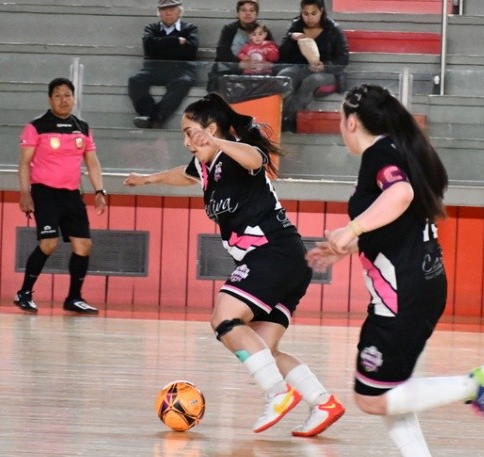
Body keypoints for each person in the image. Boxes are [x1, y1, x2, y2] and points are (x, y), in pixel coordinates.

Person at [123, 92, 345, 437]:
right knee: (265, 348)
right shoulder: (204, 166)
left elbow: (256, 157)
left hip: (273, 253)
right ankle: (322, 401)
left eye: (189, 132)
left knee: (224, 319)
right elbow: (183, 175)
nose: (186, 141)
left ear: (210, 129)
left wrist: (217, 141)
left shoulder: (236, 153)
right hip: (286, 261)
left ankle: (276, 393)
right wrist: (148, 180)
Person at [305, 84, 484, 456]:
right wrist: (345, 247)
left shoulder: (379, 155)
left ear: (350, 123)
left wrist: (351, 229)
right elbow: (399, 223)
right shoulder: (399, 151)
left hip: (402, 295)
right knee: (391, 391)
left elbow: (400, 196)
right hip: (420, 285)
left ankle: (471, 386)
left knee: (371, 398)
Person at [15, 77, 107, 315]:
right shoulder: (36, 126)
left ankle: (74, 298)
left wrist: (99, 191)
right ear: (49, 99)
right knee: (48, 243)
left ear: (73, 98)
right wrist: (25, 193)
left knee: (83, 245)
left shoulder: (82, 127)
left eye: (67, 95)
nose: (63, 100)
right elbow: (24, 163)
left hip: (72, 194)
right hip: (45, 192)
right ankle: (24, 292)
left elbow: (93, 163)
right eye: (58, 95)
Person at [276, 0, 349, 132]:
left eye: (313, 13)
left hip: (328, 72)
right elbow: (282, 55)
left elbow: (343, 59)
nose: (309, 18)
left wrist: (325, 66)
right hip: (301, 68)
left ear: (321, 11)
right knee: (284, 75)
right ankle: (274, 114)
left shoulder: (333, 30)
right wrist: (290, 38)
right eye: (305, 13)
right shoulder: (295, 26)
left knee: (311, 81)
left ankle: (287, 118)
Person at [128, 0, 199, 129]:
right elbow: (149, 47)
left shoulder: (190, 28)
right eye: (163, 9)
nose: (167, 12)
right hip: (155, 67)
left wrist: (160, 45)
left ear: (179, 12)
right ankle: (147, 113)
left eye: (171, 9)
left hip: (181, 69)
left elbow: (190, 51)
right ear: (159, 12)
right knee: (135, 80)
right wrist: (177, 41)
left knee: (182, 83)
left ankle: (158, 117)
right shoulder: (151, 28)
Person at [206, 0, 275, 91]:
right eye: (243, 10)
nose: (248, 13)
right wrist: (241, 64)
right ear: (238, 14)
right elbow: (222, 52)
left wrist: (268, 64)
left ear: (257, 14)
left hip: (256, 72)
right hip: (228, 71)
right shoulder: (229, 29)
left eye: (251, 10)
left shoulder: (264, 31)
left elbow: (274, 51)